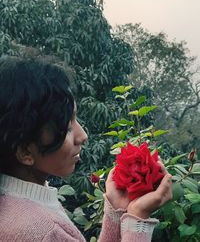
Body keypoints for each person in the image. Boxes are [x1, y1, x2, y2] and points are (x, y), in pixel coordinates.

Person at [0, 56, 172, 242]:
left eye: (75, 119)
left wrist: (115, 210)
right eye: (66, 128)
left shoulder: (15, 205)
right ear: (25, 152)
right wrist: (138, 220)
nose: (83, 136)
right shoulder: (42, 231)